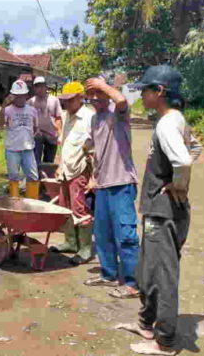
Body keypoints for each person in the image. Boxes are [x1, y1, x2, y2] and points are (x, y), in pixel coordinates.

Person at [116, 66, 202, 356]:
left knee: (162, 275)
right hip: (160, 210)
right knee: (148, 270)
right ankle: (146, 323)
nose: (141, 95)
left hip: (164, 212)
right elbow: (196, 148)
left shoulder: (167, 124)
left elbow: (184, 161)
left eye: (145, 90)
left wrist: (178, 186)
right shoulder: (175, 120)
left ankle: (165, 341)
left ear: (160, 91)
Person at [83, 76, 140, 299]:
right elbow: (97, 152)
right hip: (103, 184)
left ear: (108, 94)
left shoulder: (119, 115)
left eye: (99, 93)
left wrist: (102, 86)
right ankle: (108, 274)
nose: (95, 98)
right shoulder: (95, 120)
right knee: (102, 233)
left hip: (122, 183)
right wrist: (93, 177)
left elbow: (122, 101)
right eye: (92, 94)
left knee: (125, 235)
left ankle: (133, 283)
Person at [49, 81, 95, 265]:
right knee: (64, 207)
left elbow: (96, 150)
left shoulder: (90, 118)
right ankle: (70, 242)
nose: (66, 103)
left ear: (80, 98)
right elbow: (64, 143)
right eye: (64, 100)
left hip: (80, 170)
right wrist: (59, 164)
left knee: (80, 209)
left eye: (69, 100)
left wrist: (94, 178)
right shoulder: (66, 115)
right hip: (66, 170)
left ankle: (85, 249)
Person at [0, 79, 40, 199]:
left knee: (33, 176)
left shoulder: (32, 110)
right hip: (12, 150)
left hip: (28, 150)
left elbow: (36, 127)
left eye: (22, 96)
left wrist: (34, 134)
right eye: (17, 96)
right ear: (12, 96)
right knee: (13, 177)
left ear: (26, 95)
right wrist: (4, 105)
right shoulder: (8, 110)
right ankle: (14, 203)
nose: (20, 98)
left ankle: (32, 203)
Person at [28, 76, 62, 167]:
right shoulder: (30, 102)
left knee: (49, 162)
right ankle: (36, 178)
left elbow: (58, 117)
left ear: (46, 87)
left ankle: (46, 179)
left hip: (51, 135)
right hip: (37, 135)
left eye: (42, 85)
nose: (40, 88)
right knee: (35, 160)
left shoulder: (54, 100)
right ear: (34, 88)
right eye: (37, 86)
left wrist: (59, 134)